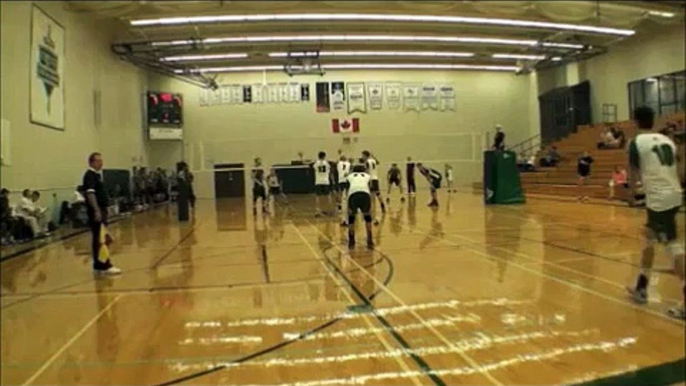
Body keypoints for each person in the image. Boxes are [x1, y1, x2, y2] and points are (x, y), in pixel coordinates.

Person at [626, 106, 685, 320]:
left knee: (673, 245)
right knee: (649, 238)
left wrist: (632, 195)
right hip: (673, 192)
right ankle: (641, 286)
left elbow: (632, 173)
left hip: (659, 198)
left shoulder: (636, 143)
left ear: (635, 121)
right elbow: (680, 169)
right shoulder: (666, 140)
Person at [82, 152, 121, 275]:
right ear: (91, 162)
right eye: (98, 161)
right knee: (101, 238)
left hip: (101, 209)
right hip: (96, 211)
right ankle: (105, 265)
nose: (101, 163)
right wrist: (96, 210)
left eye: (101, 160)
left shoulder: (97, 176)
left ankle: (98, 264)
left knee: (101, 237)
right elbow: (90, 194)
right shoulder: (90, 176)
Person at [345, 164, 374, 249]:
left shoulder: (349, 176)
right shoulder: (367, 176)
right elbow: (371, 187)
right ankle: (370, 239)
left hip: (353, 195)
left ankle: (351, 240)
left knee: (351, 218)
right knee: (367, 216)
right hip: (365, 194)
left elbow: (347, 189)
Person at [313, 151, 332, 216]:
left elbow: (314, 167)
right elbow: (329, 171)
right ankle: (329, 210)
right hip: (326, 181)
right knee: (328, 196)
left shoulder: (316, 163)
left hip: (318, 181)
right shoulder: (327, 163)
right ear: (324, 156)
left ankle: (318, 211)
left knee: (318, 196)